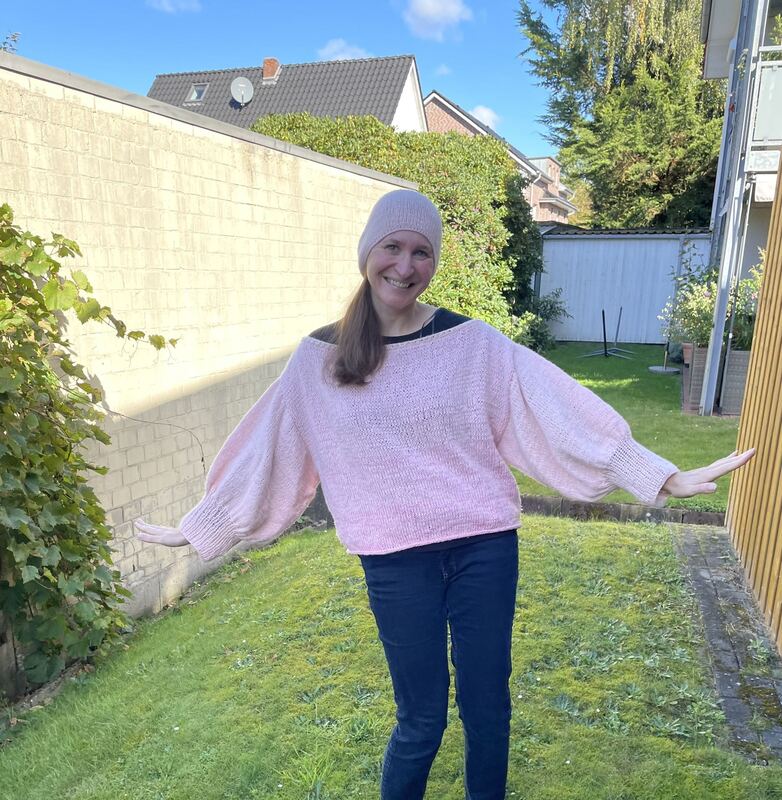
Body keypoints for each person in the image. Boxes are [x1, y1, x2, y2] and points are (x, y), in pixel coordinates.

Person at [135, 189, 754, 800]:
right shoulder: (317, 359)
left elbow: (555, 407)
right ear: (367, 252)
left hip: (484, 548)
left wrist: (653, 474)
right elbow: (269, 446)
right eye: (393, 247)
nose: (405, 266)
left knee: (488, 708)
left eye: (422, 252)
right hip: (393, 561)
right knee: (420, 720)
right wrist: (206, 524)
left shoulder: (472, 344)